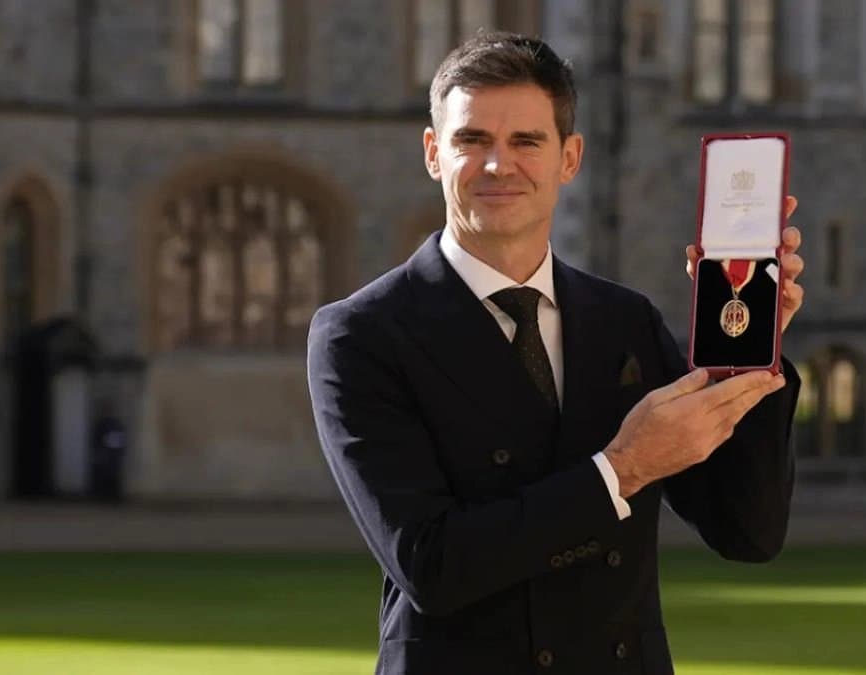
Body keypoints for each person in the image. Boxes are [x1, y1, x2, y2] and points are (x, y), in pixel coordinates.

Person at [307, 32, 806, 675]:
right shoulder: (361, 335)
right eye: (472, 141)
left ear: (569, 158)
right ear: (434, 153)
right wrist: (620, 470)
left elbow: (748, 535)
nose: (498, 165)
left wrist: (750, 349)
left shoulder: (623, 320)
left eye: (526, 142)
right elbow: (432, 566)